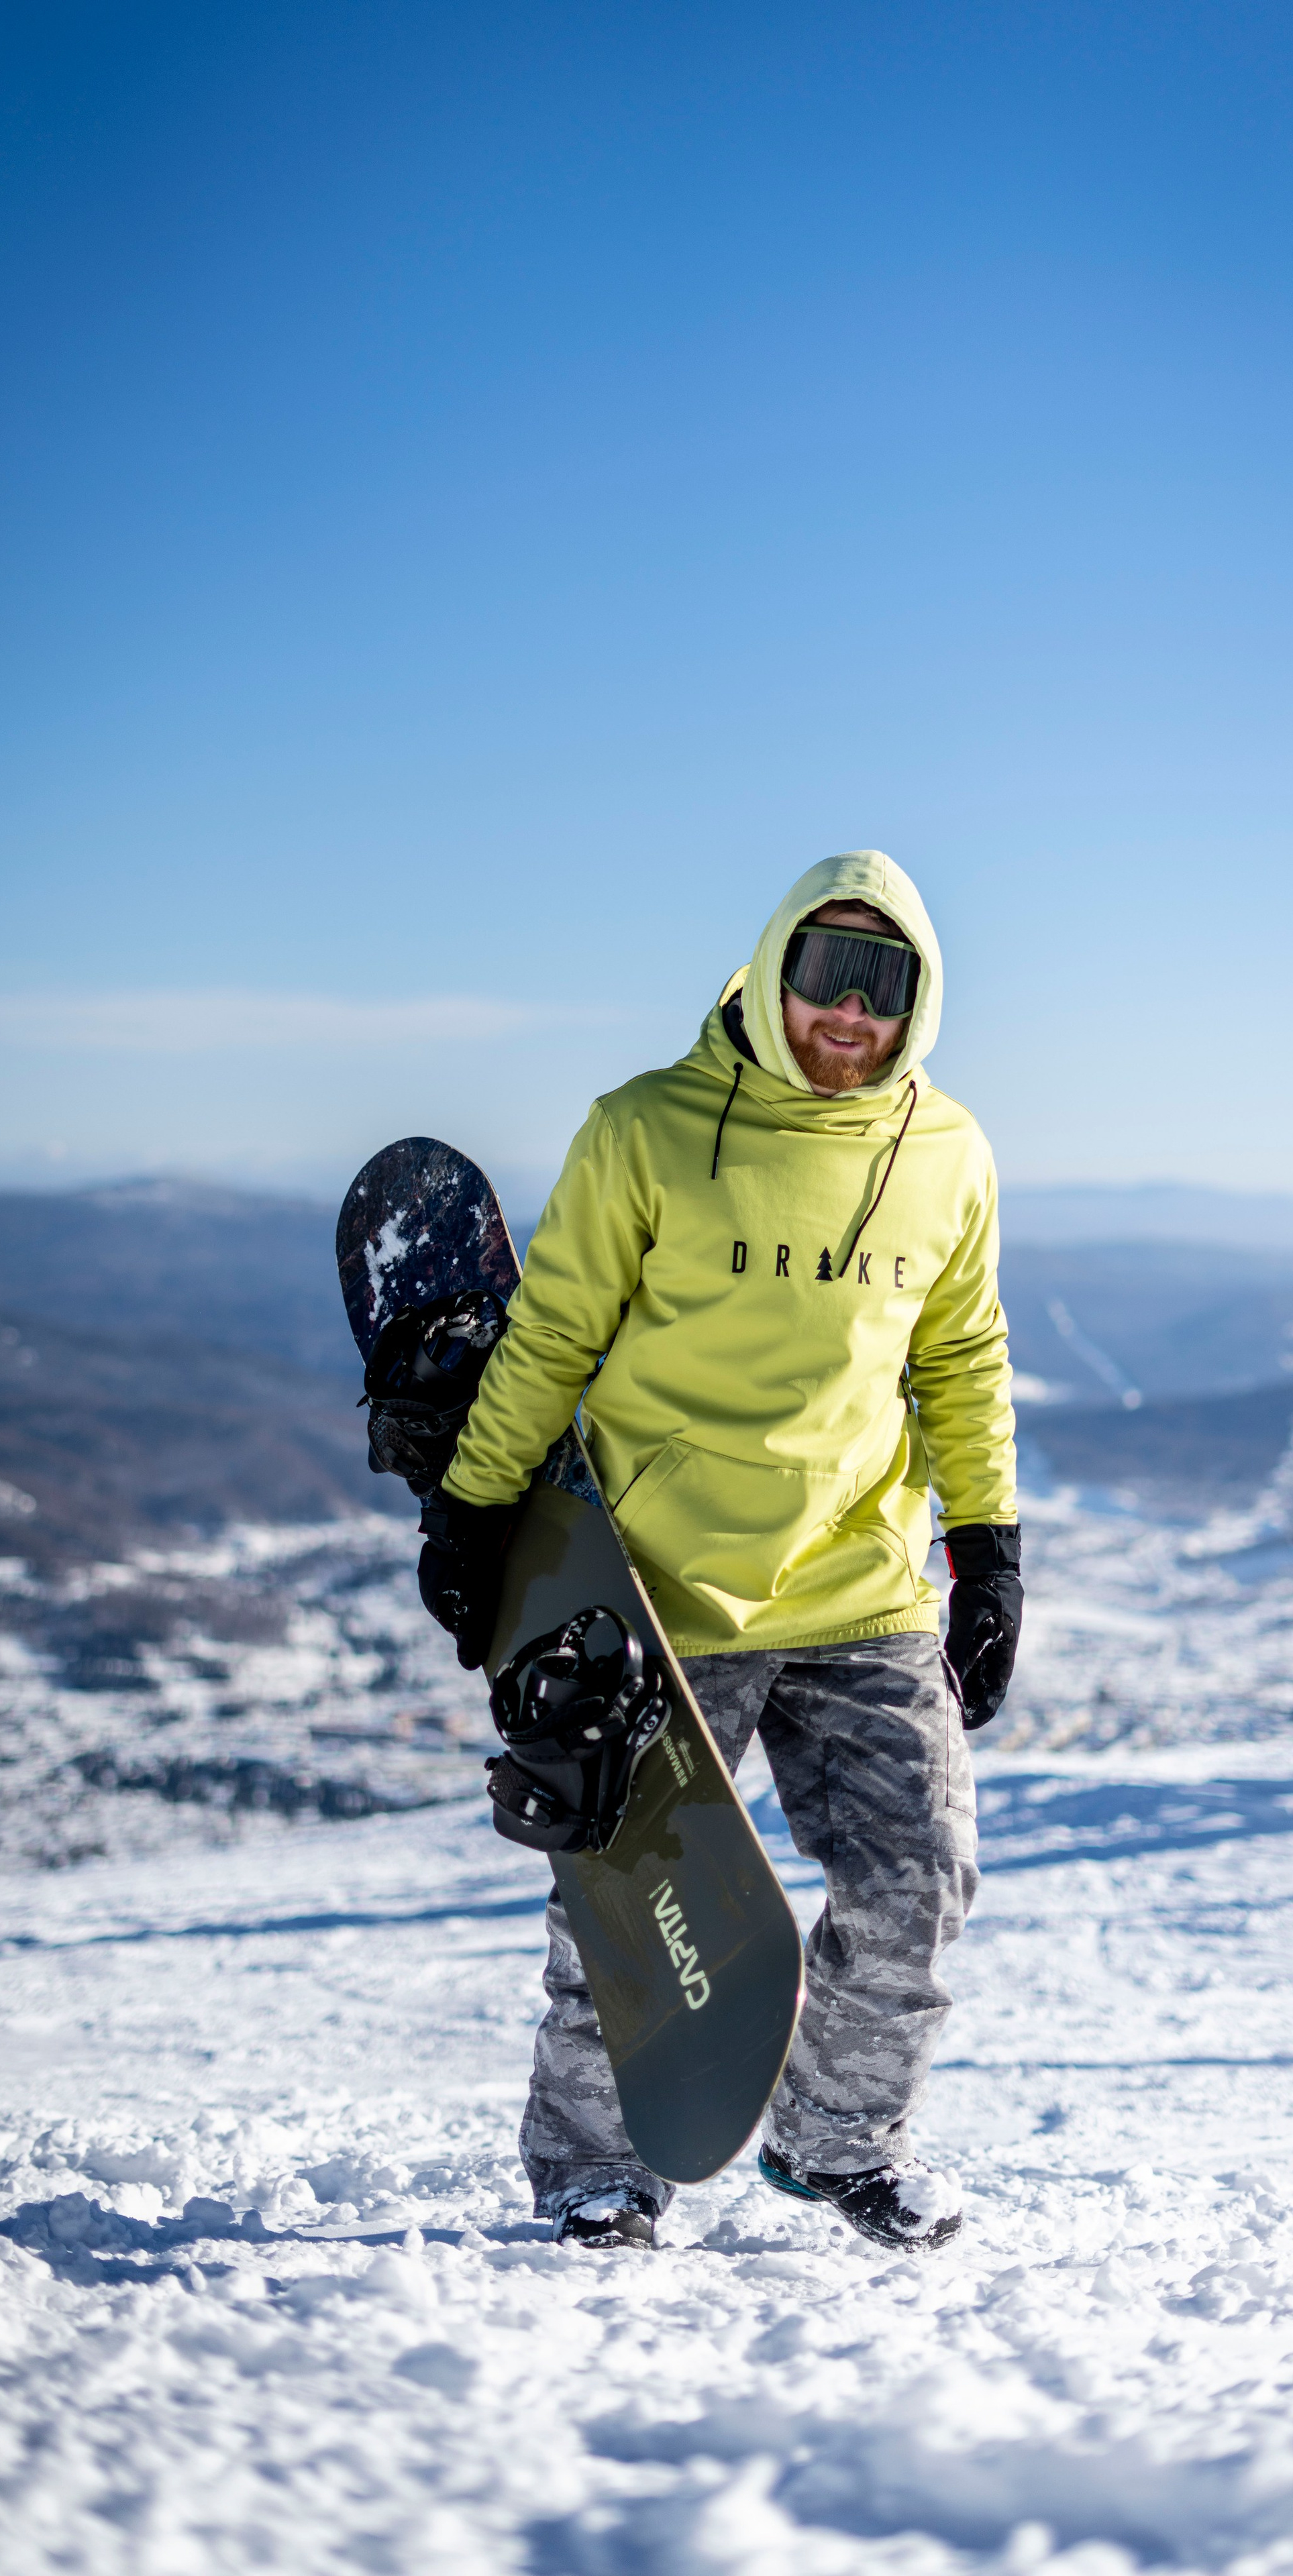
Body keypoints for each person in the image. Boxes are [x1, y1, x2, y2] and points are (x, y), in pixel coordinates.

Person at [418, 850, 1021, 2252]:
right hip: (661, 1592)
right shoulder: (642, 1129)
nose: (846, 1013)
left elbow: (961, 1358)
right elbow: (552, 1335)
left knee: (917, 1882)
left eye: (883, 984)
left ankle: (833, 2144)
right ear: (772, 967)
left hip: (863, 1586)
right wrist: (475, 1507)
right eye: (825, 972)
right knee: (626, 1912)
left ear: (916, 1002)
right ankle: (590, 2169)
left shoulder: (947, 1155)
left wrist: (986, 1550)